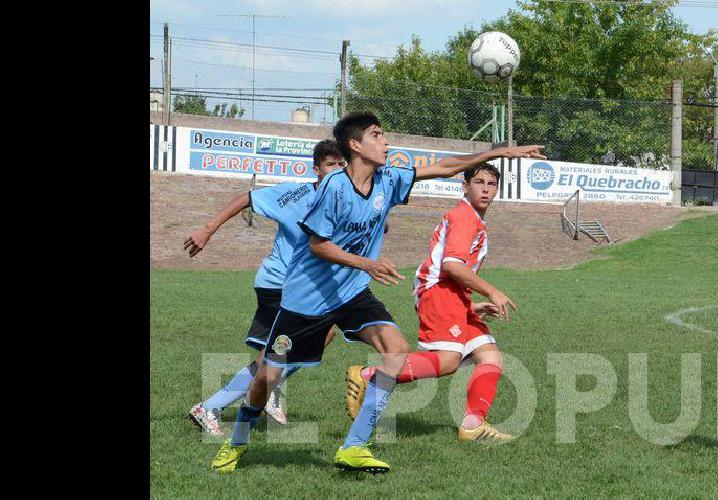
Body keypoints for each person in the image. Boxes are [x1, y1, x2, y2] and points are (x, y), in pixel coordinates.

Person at [210, 111, 545, 474]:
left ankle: (355, 446)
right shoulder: (334, 187)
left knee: (396, 349)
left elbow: (446, 167)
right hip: (306, 300)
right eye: (377, 135)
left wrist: (496, 154)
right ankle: (238, 440)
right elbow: (318, 246)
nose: (386, 142)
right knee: (267, 377)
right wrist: (368, 264)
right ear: (356, 145)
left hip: (352, 294)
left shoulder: (388, 178)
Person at [346, 162, 517, 443]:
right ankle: (369, 375)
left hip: (453, 297)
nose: (485, 189)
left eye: (491, 184)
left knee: (489, 355)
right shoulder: (465, 217)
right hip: (440, 291)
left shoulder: (472, 218)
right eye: (479, 182)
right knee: (447, 361)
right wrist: (491, 292)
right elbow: (451, 266)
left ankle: (473, 425)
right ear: (465, 187)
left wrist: (468, 307)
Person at [185, 140, 345, 435]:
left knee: (325, 333)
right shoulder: (296, 195)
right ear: (317, 169)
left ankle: (270, 385)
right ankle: (209, 407)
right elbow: (245, 198)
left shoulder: (342, 199)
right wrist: (208, 229)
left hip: (304, 289)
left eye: (341, 165)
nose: (336, 170)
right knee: (270, 359)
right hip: (278, 285)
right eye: (330, 165)